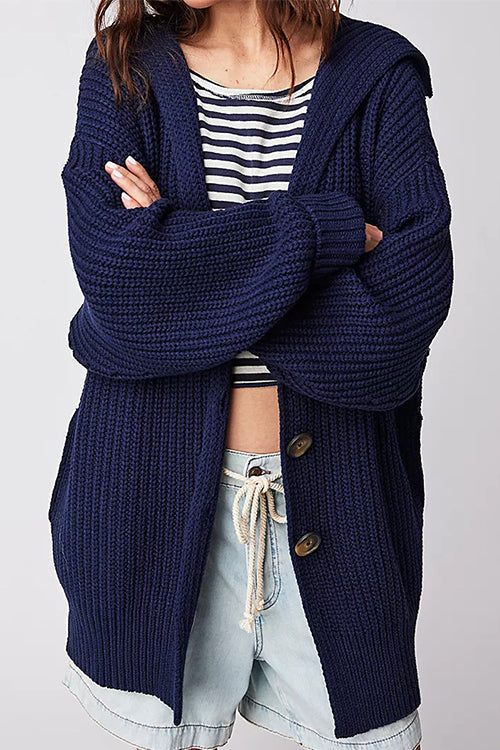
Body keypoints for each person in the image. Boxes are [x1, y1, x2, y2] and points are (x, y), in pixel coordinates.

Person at [50, 1, 453, 749]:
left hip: (348, 509)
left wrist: (186, 271)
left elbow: (396, 330)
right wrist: (326, 231)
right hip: (143, 506)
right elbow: (121, 286)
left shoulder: (379, 73)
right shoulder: (124, 68)